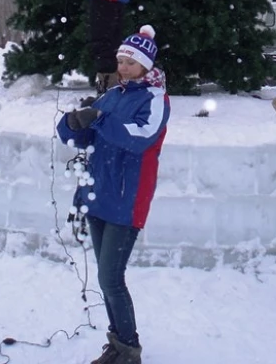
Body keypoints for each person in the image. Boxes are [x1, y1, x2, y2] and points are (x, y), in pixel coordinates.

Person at [57, 25, 170, 364]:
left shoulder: (155, 99)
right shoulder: (113, 95)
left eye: (130, 62)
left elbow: (139, 138)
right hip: (99, 195)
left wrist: (101, 119)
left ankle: (128, 349)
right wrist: (73, 123)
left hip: (127, 199)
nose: (123, 67)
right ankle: (117, 343)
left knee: (110, 277)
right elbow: (87, 137)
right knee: (107, 281)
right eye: (121, 60)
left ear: (146, 66)